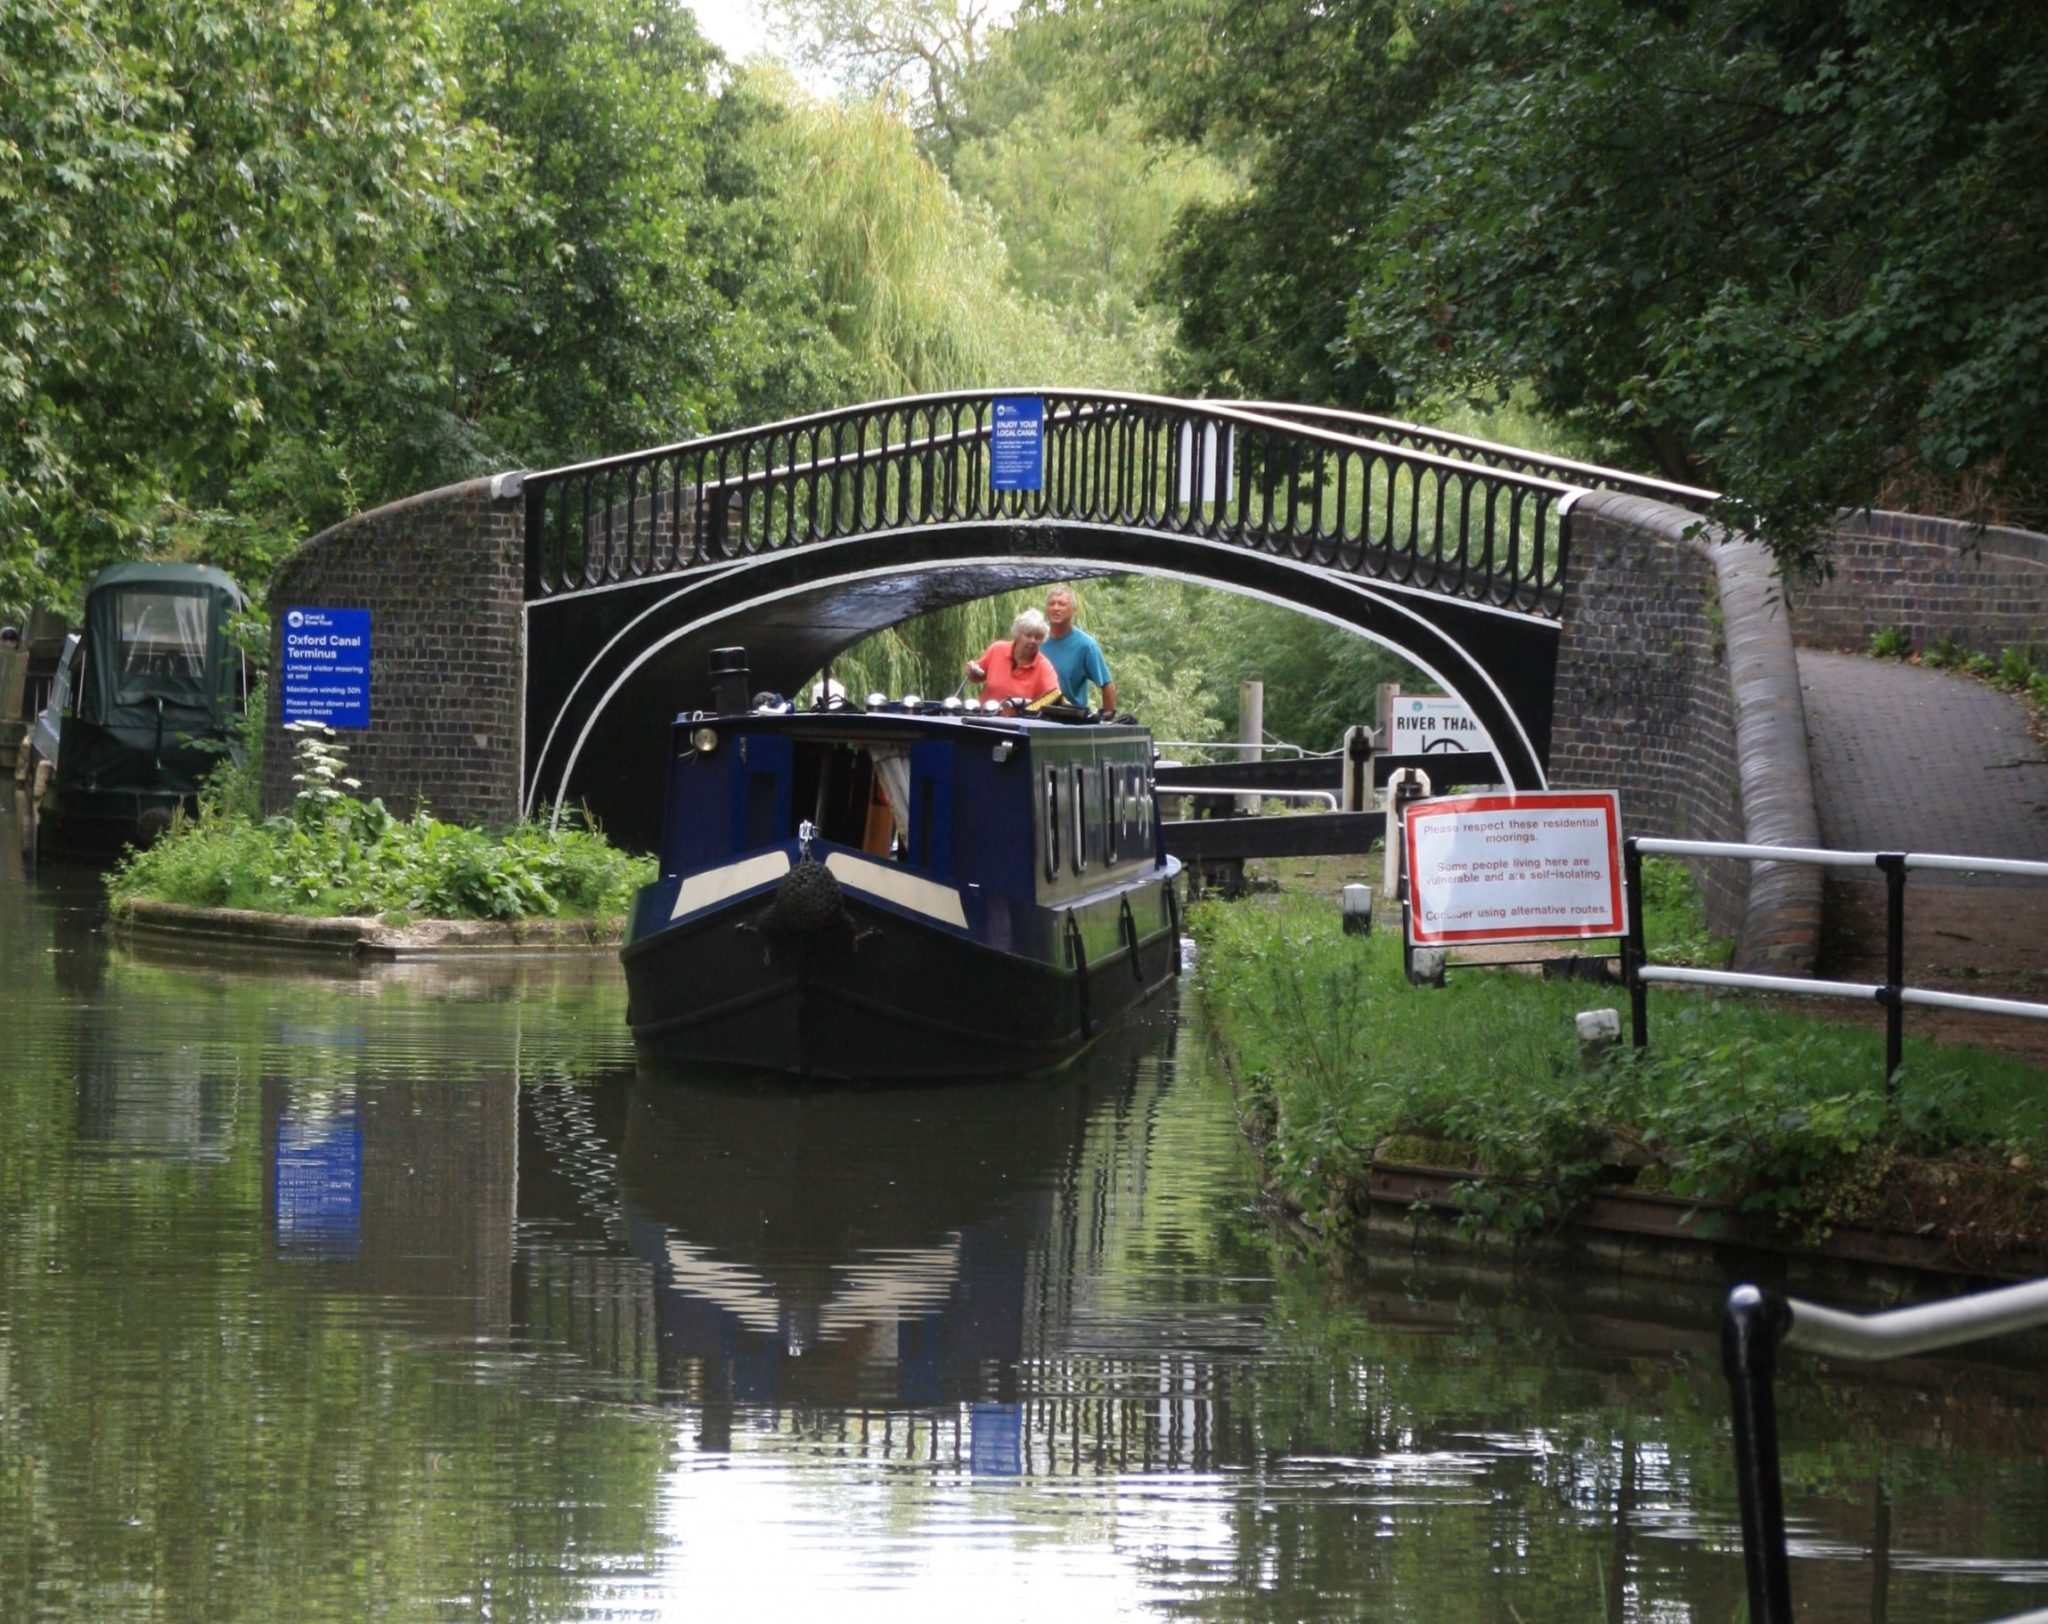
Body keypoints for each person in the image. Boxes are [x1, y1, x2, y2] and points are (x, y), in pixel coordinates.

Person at [1041, 586, 1115, 712]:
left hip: (1069, 717)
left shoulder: (1086, 645)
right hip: (1035, 714)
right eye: (1051, 604)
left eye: (1062, 604)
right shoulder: (1035, 637)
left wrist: (1107, 719)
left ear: (1074, 610)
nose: (1056, 608)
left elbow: (1107, 684)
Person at [965, 609, 1061, 704]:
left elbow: (1055, 696)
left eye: (1038, 637)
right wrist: (971, 671)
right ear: (1017, 635)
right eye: (1028, 635)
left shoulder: (1043, 666)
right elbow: (976, 677)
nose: (1033, 641)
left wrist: (1033, 709)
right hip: (983, 715)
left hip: (1017, 719)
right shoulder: (997, 649)